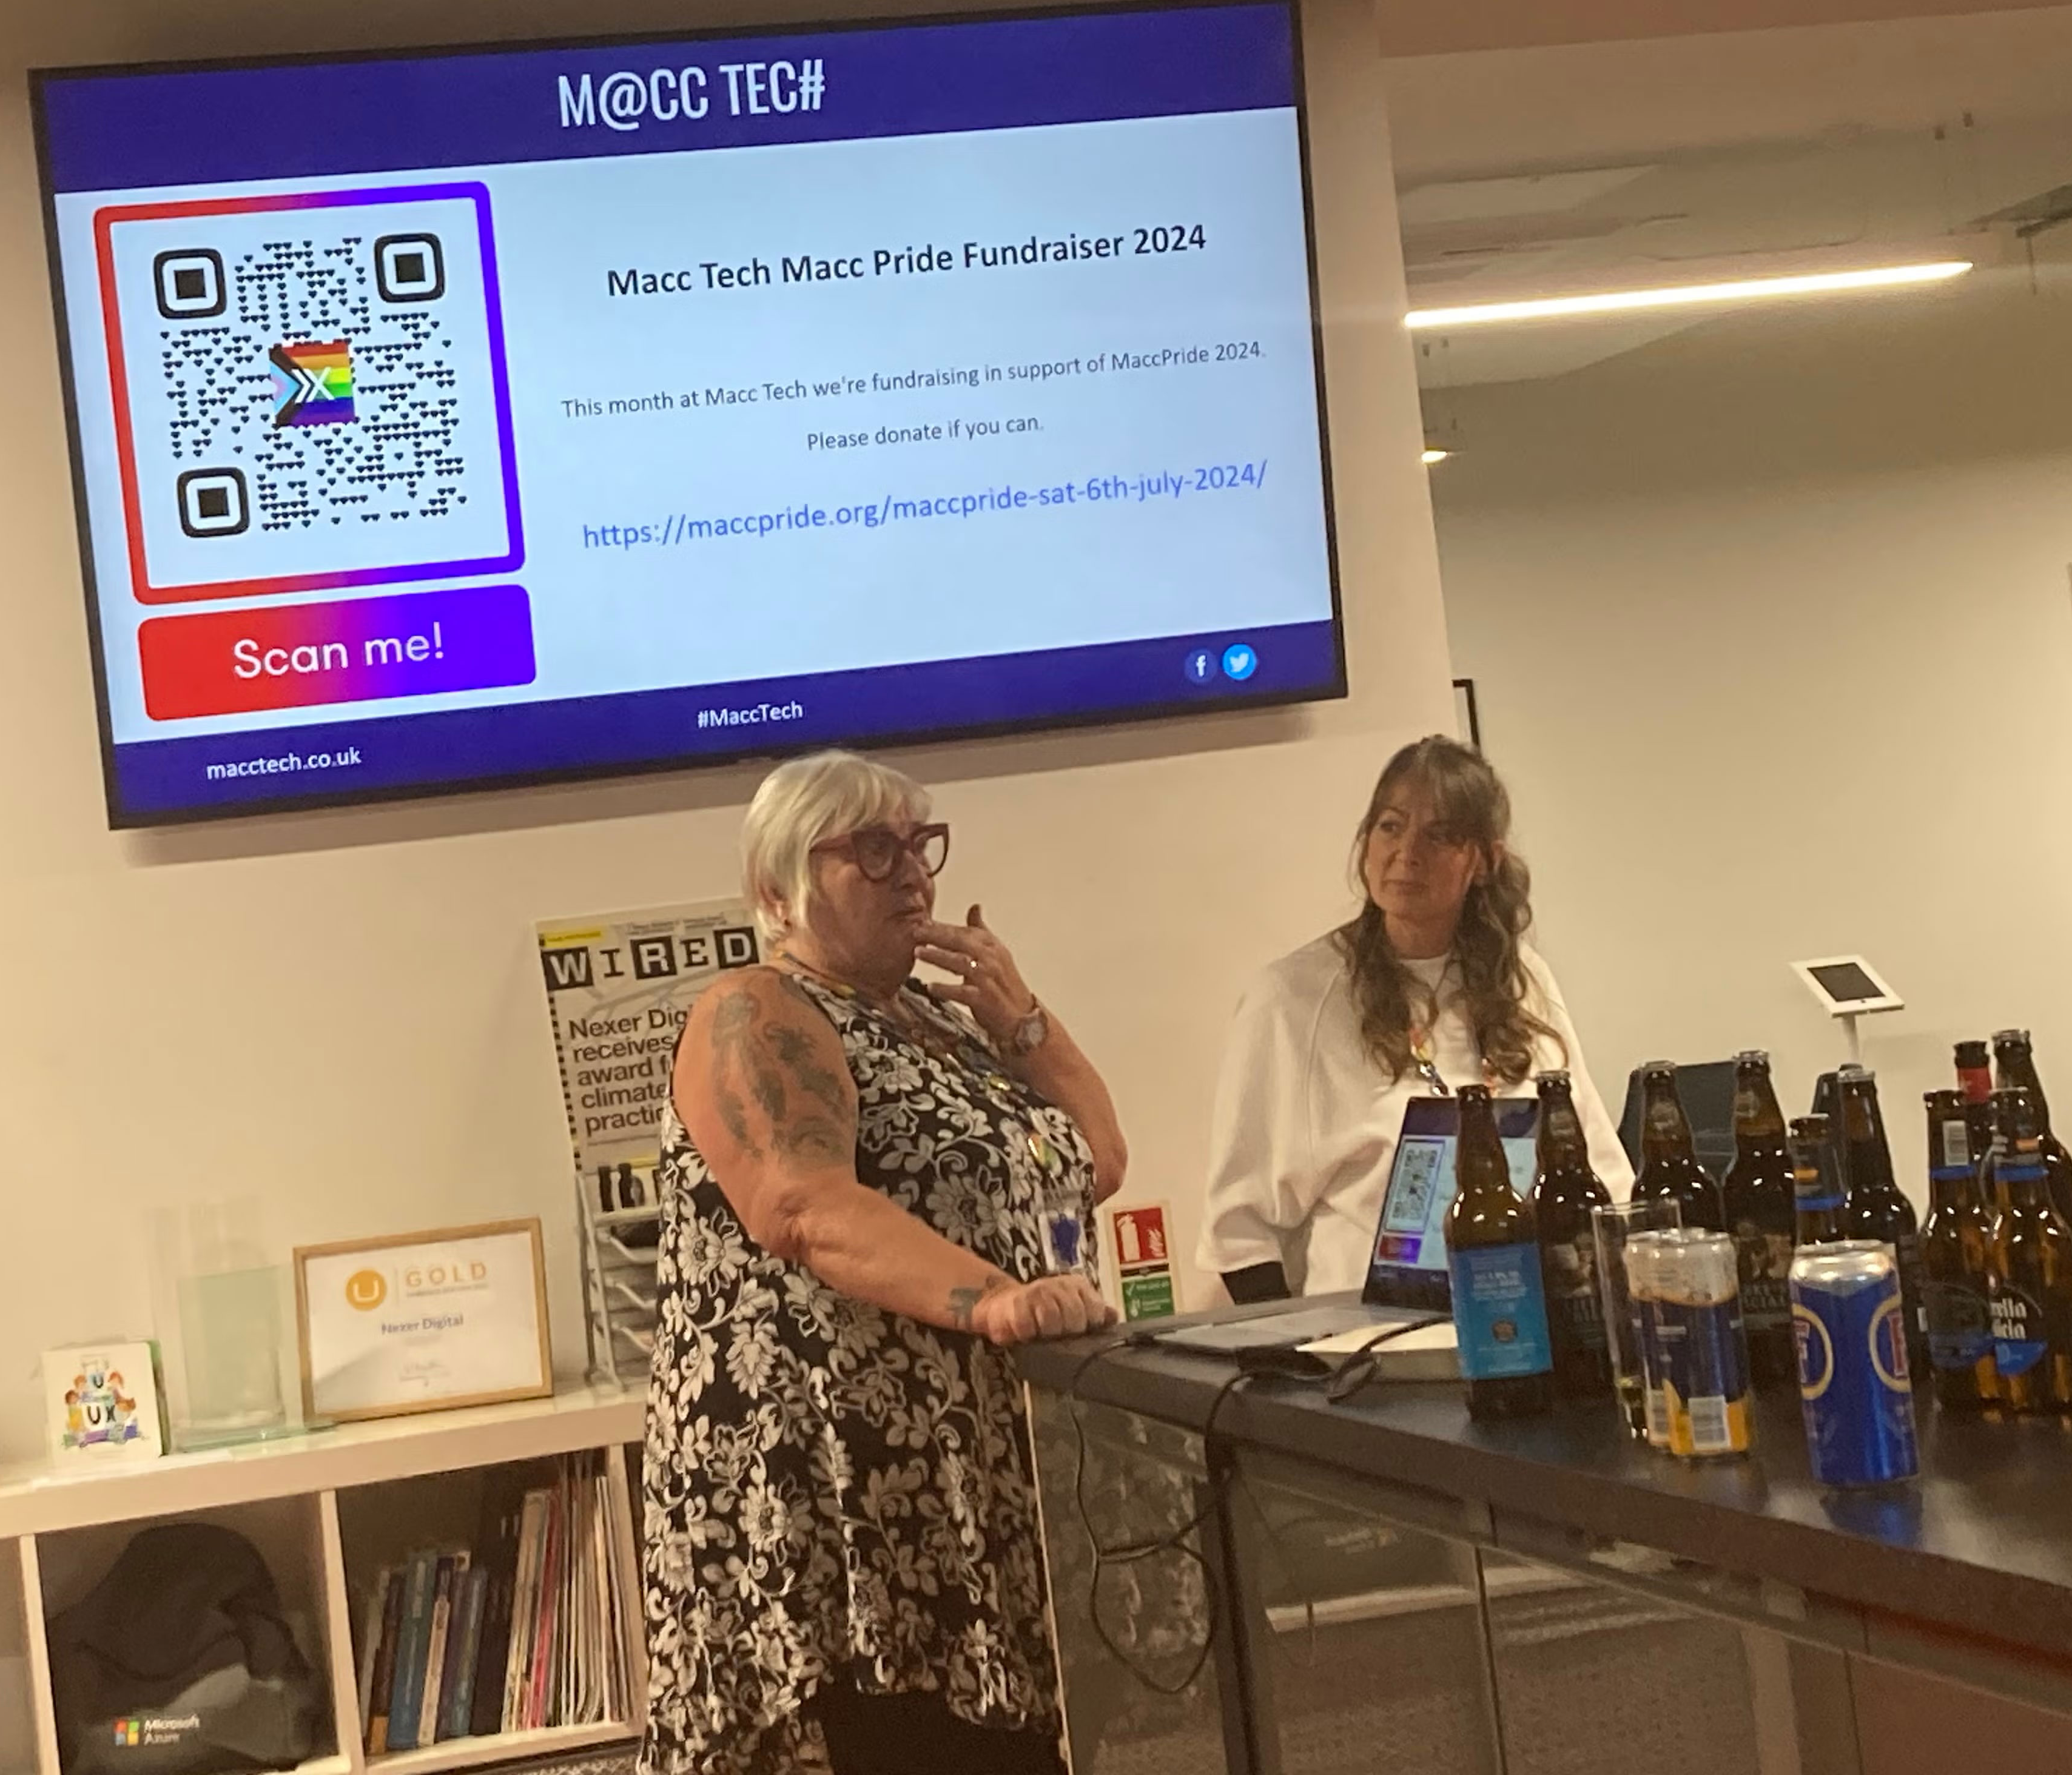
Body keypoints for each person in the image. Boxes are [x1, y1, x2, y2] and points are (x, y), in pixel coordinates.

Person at [640, 749, 1125, 1775]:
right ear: (778, 887)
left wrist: (1023, 1021)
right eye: (872, 848)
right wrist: (998, 1302)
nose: (913, 871)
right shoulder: (755, 1008)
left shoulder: (943, 1022)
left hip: (970, 1484)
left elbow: (1095, 1161)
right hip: (846, 1496)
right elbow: (801, 1205)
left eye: (919, 843)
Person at [1201, 735, 1634, 1301]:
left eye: (1441, 835)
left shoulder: (1522, 977)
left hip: (1534, 1307)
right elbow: (1239, 1232)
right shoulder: (1291, 997)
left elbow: (1600, 1170)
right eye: (1391, 826)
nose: (1407, 853)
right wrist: (1301, 1365)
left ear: (1485, 862)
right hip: (1370, 1342)